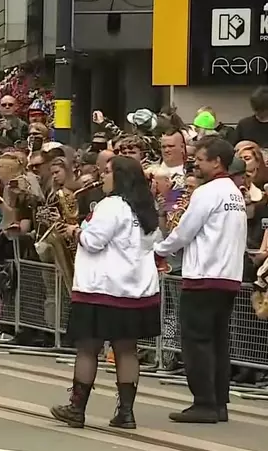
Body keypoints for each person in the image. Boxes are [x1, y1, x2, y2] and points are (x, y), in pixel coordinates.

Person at [50, 156, 162, 430]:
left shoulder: (111, 205)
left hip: (102, 289)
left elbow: (93, 241)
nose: (103, 176)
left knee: (88, 348)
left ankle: (77, 408)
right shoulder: (146, 208)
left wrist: (75, 230)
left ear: (121, 176)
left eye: (108, 172)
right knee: (127, 350)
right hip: (135, 289)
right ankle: (126, 412)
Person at [154, 136, 246, 423]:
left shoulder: (207, 193)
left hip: (204, 274)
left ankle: (204, 403)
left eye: (201, 159)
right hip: (228, 275)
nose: (195, 164)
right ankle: (219, 402)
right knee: (218, 340)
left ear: (217, 162)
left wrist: (160, 249)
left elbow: (185, 230)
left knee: (196, 341)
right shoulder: (234, 193)